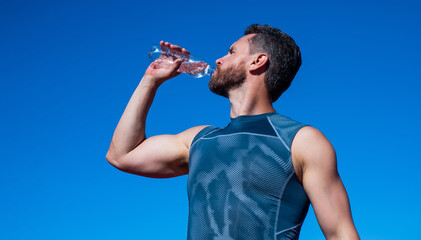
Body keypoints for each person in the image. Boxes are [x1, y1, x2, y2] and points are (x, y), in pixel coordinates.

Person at [106, 24, 359, 240]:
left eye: (231, 51)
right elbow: (122, 154)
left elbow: (340, 233)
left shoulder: (302, 141)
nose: (219, 59)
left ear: (257, 61)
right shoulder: (198, 139)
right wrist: (150, 80)